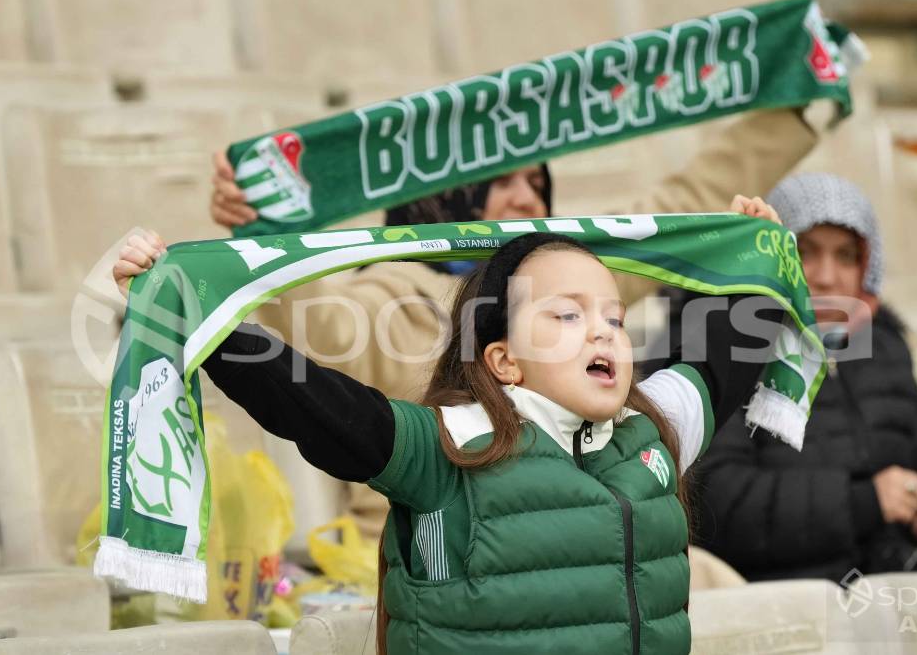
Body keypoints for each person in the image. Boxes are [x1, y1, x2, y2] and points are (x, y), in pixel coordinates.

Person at [114, 231, 786, 654]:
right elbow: (311, 402)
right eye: (567, 314)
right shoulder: (447, 445)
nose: (604, 331)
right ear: (503, 360)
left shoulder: (653, 433)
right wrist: (196, 314)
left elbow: (724, 358)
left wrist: (760, 253)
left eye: (613, 316)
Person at [201, 108, 818, 535]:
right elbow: (302, 355)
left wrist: (792, 116)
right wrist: (264, 230)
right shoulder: (387, 299)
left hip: (588, 535)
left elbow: (674, 212)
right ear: (447, 197)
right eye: (499, 183)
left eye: (537, 181)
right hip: (435, 558)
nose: (528, 198)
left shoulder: (567, 284)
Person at [672, 172, 917, 582]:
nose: (826, 276)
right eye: (806, 251)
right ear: (774, 253)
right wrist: (865, 503)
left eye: (846, 256)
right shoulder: (729, 344)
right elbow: (716, 504)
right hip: (790, 606)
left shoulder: (883, 347)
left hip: (891, 589)